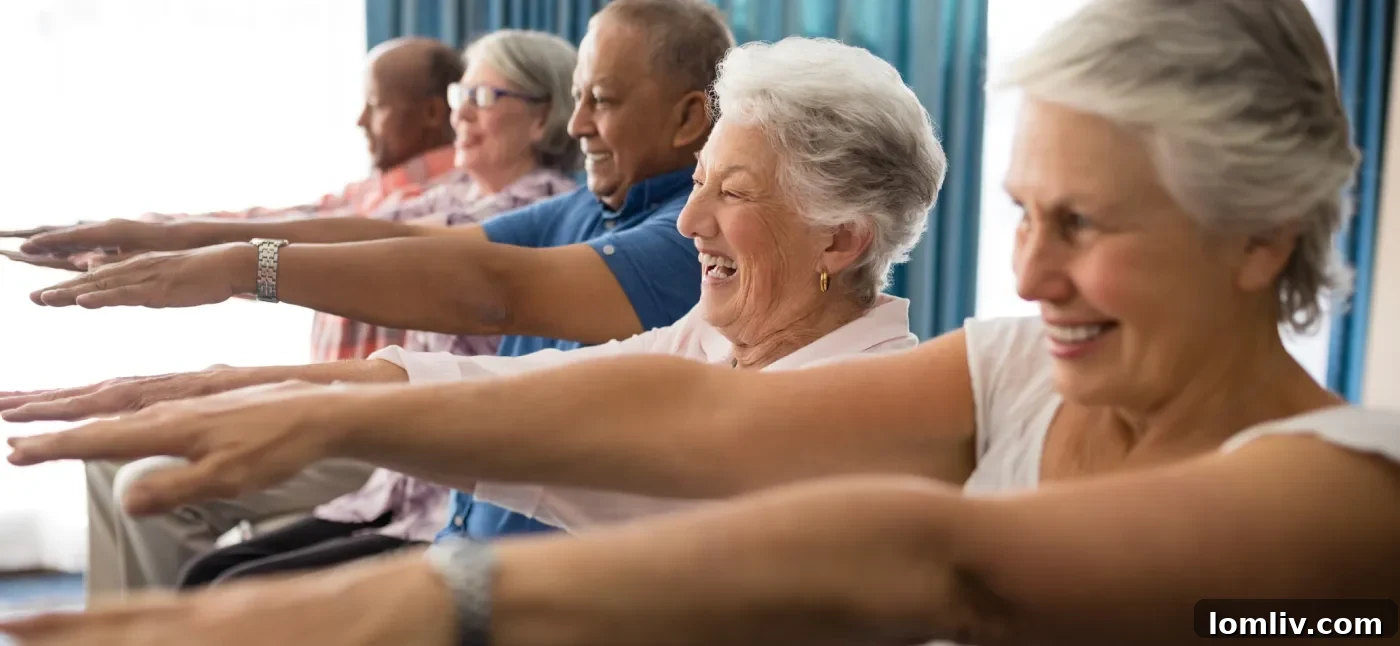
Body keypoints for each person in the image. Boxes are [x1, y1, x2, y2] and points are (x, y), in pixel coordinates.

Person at [5, 2, 1399, 644]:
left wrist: (431, 601)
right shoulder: (1010, 365)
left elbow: (951, 567)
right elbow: (690, 406)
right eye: (1025, 214)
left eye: (1083, 226)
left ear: (1261, 234)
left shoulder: (1353, 506)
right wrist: (322, 398)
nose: (1028, 272)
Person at [2, 33, 940, 536]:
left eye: (729, 194)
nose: (691, 224)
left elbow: (490, 299)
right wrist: (217, 378)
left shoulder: (869, 404)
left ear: (841, 239)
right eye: (698, 187)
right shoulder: (710, 335)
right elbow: (490, 383)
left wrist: (248, 279)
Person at [1, 0, 732, 595]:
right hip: (461, 524)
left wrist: (235, 279)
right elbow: (405, 242)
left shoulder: (686, 238)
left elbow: (489, 295)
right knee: (217, 578)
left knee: (228, 591)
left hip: (543, 574)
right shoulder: (587, 212)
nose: (579, 127)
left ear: (689, 119)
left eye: (599, 101)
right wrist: (173, 238)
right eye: (579, 100)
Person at [168, 28, 583, 589]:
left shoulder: (544, 208)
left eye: (483, 98)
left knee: (226, 587)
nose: (461, 115)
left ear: (543, 117)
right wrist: (184, 250)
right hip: (396, 487)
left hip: (454, 504)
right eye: (461, 96)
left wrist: (224, 264)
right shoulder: (458, 192)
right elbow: (348, 230)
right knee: (212, 574)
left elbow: (376, 250)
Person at [1, 36, 467, 364]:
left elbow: (284, 240)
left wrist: (161, 241)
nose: (360, 120)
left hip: (375, 431)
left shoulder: (454, 200)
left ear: (431, 113)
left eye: (376, 105)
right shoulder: (369, 192)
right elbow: (265, 223)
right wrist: (129, 236)